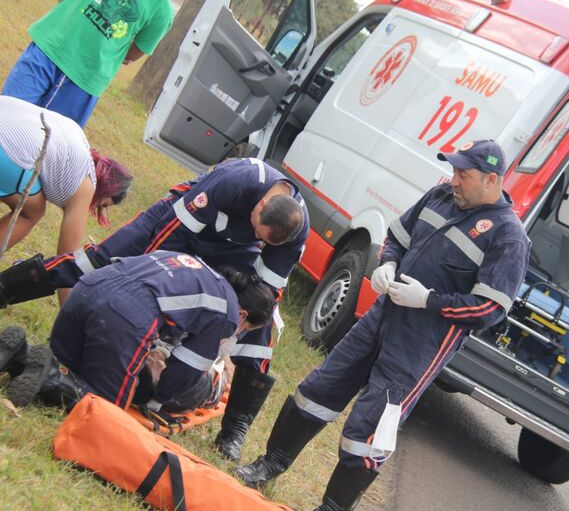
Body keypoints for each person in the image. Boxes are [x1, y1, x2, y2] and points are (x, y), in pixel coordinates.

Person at [235, 140, 531, 510]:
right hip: (381, 317)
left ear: (491, 179)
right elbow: (398, 237)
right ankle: (270, 463)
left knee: (370, 429)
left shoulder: (508, 236)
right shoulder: (440, 195)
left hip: (420, 345)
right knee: (319, 388)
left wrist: (429, 301)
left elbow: (489, 308)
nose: (454, 180)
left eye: (463, 174)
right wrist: (388, 263)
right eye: (454, 171)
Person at [0, 156, 309, 461]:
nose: (257, 238)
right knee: (97, 261)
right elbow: (172, 232)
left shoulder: (294, 229)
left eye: (264, 241)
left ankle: (234, 430)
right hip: (176, 221)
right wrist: (145, 272)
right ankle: (6, 288)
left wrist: (235, 331)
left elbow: (268, 291)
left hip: (232, 252)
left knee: (261, 326)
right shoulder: (236, 180)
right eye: (257, 229)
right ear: (261, 206)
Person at [0, 251, 275, 414]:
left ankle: (20, 355)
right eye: (246, 329)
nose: (238, 331)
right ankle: (49, 375)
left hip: (87, 289)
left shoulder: (189, 263)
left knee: (73, 369)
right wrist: (153, 399)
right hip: (121, 317)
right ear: (243, 316)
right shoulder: (226, 312)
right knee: (102, 411)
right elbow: (182, 375)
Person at [2, 0, 174, 127]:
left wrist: (111, 48)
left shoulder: (162, 11)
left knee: (51, 145)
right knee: (7, 117)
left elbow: (137, 50)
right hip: (49, 48)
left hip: (85, 80)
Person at [0, 96, 133, 256]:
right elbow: (66, 255)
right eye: (100, 204)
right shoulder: (87, 185)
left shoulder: (77, 134)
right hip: (6, 148)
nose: (92, 208)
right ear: (104, 188)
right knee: (32, 212)